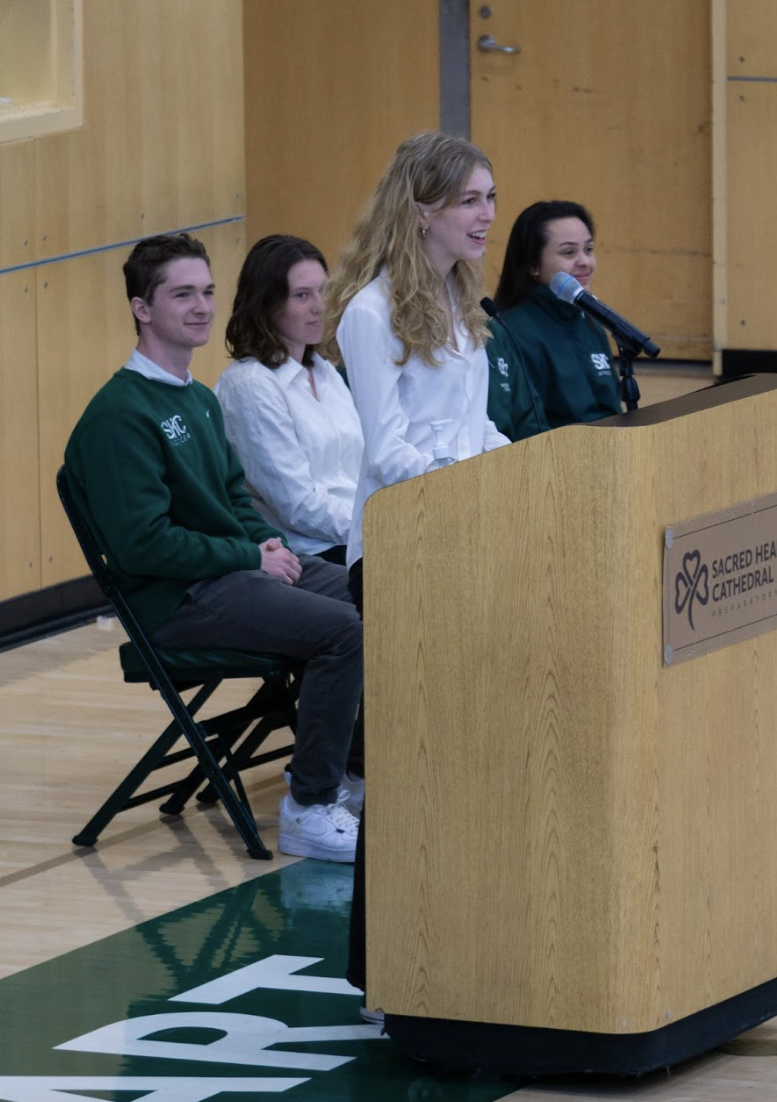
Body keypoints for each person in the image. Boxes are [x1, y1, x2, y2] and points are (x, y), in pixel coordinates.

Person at [64, 233, 362, 863]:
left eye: (206, 292)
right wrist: (249, 557)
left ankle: (349, 774)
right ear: (143, 308)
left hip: (233, 577)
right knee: (341, 629)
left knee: (375, 591)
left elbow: (235, 501)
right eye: (181, 294)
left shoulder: (197, 399)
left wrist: (266, 546)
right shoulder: (120, 414)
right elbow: (143, 546)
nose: (200, 306)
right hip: (177, 602)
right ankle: (310, 807)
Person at [321, 131, 511, 994]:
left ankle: (462, 944)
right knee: (409, 767)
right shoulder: (370, 312)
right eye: (471, 199)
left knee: (465, 756)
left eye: (490, 197)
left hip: (464, 535)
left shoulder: (460, 300)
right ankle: (384, 966)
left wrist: (529, 463)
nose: (487, 215)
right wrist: (473, 478)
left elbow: (469, 428)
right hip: (403, 550)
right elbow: (388, 451)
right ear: (424, 208)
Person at [215, 235, 364, 567]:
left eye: (323, 291)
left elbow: (358, 473)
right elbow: (297, 506)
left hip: (356, 537)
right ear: (266, 304)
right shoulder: (250, 385)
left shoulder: (325, 372)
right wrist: (376, 527)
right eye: (302, 296)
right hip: (308, 554)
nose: (319, 306)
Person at [492, 200, 622, 436]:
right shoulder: (513, 332)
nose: (585, 261)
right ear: (533, 265)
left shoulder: (592, 324)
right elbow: (529, 427)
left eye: (589, 249)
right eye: (569, 252)